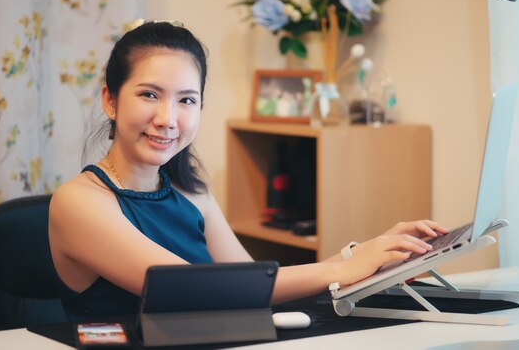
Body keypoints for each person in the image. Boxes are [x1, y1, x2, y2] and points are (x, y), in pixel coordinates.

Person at [48, 21, 448, 322]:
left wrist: (369, 255)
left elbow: (255, 284)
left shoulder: (191, 193)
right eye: (150, 95)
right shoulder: (79, 202)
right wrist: (344, 268)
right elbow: (190, 290)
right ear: (111, 100)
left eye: (187, 100)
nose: (168, 118)